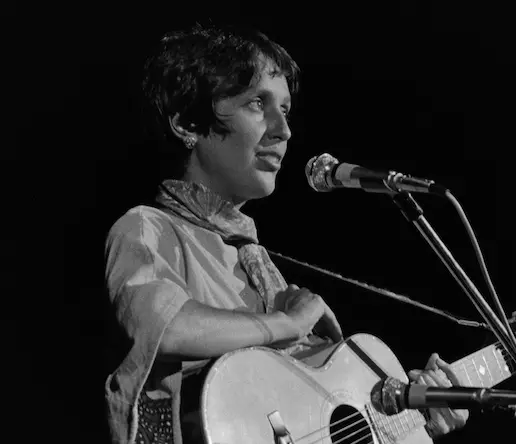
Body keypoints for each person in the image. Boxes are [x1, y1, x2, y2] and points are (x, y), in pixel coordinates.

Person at [103, 22, 469, 444]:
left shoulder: (262, 270)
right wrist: (286, 322)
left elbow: (317, 426)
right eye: (258, 103)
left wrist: (411, 412)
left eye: (286, 110)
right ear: (188, 123)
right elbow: (165, 328)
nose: (284, 130)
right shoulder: (147, 228)